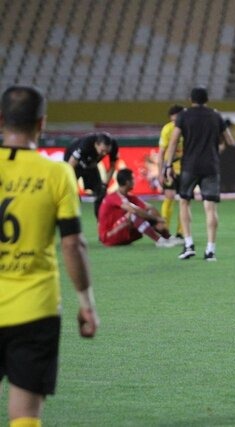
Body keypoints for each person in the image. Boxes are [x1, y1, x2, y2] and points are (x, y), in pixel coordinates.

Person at [0, 85, 99, 427]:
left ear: (1, 120)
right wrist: (86, 303)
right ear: (42, 123)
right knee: (25, 414)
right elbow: (72, 245)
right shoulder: (57, 173)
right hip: (35, 308)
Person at [163, 86, 235, 261]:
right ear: (207, 99)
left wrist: (167, 165)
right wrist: (215, 149)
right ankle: (210, 250)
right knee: (210, 207)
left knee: (184, 203)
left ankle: (188, 245)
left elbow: (173, 142)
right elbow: (230, 141)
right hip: (210, 165)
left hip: (189, 165)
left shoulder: (183, 116)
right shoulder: (215, 115)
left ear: (191, 99)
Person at [98, 168, 177, 247]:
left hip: (121, 233)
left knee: (147, 212)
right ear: (127, 182)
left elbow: (150, 208)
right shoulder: (112, 197)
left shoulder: (130, 197)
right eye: (132, 179)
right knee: (133, 214)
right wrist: (155, 219)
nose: (134, 181)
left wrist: (159, 225)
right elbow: (134, 211)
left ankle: (168, 237)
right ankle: (159, 241)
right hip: (108, 237)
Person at [63, 131, 119, 218]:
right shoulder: (86, 143)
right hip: (74, 164)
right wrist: (71, 184)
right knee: (72, 194)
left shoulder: (113, 146)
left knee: (101, 192)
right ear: (96, 144)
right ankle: (72, 217)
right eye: (102, 151)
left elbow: (112, 166)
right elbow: (71, 164)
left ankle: (101, 220)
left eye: (106, 152)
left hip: (90, 165)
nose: (104, 154)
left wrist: (105, 184)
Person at [157, 104, 185, 241]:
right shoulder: (167, 129)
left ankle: (181, 233)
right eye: (174, 120)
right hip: (170, 167)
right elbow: (161, 152)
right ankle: (165, 232)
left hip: (185, 168)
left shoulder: (189, 129)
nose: (176, 122)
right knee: (169, 197)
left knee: (184, 201)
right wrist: (160, 172)